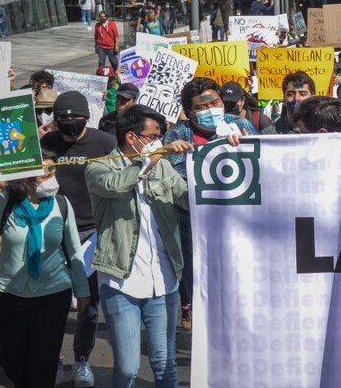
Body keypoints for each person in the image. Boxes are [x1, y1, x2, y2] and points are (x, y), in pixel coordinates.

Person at [86, 105, 191, 387]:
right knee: (128, 368)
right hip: (121, 281)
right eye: (153, 136)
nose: (159, 141)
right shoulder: (99, 166)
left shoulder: (163, 166)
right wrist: (148, 162)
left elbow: (187, 199)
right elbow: (114, 186)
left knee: (165, 364)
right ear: (131, 137)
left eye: (160, 136)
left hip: (164, 280)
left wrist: (212, 163)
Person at [0, 154, 90, 388]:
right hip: (10, 294)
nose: (53, 179)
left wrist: (82, 291)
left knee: (43, 363)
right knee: (12, 361)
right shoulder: (6, 201)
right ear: (26, 179)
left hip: (54, 294)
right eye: (46, 175)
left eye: (54, 172)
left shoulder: (61, 204)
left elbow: (74, 250)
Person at [163, 78, 255, 332]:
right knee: (198, 280)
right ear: (189, 112)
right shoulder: (177, 135)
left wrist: (248, 147)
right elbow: (175, 182)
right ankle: (203, 326)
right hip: (194, 224)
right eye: (201, 107)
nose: (210, 109)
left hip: (238, 222)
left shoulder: (241, 125)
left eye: (214, 102)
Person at [38, 90, 116, 387]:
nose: (70, 122)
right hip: (55, 230)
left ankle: (82, 359)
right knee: (53, 301)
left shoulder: (104, 142)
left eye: (76, 117)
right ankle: (53, 359)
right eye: (63, 118)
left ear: (87, 117)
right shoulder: (48, 142)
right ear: (56, 120)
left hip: (92, 232)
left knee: (88, 304)